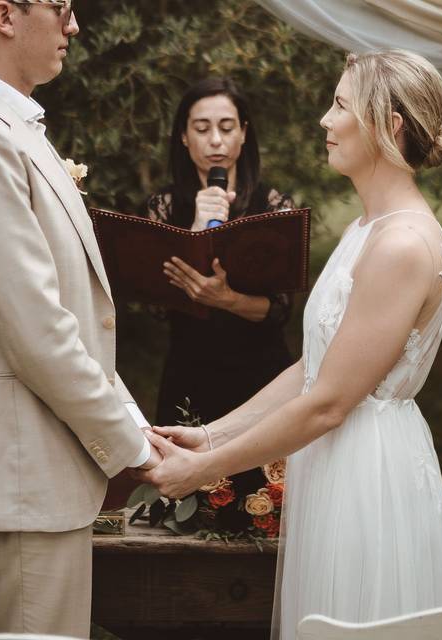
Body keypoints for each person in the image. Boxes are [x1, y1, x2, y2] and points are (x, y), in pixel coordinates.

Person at [138, 50, 442, 637]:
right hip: (335, 459)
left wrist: (202, 470)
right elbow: (314, 370)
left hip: (368, 474)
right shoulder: (367, 229)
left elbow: (328, 403)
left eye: (339, 104)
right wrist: (213, 432)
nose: (324, 119)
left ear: (387, 126)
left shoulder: (402, 246)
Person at [0, 0, 159, 636]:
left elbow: (72, 316)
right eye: (62, 7)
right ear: (4, 16)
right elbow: (37, 334)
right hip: (19, 470)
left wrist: (135, 421)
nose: (74, 26)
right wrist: (131, 450)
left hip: (40, 463)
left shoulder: (12, 127)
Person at [142, 78, 296, 528]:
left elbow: (282, 310)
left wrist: (226, 299)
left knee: (266, 514)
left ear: (244, 133)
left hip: (261, 376)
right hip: (190, 375)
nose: (215, 140)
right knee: (187, 518)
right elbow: (154, 307)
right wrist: (193, 228)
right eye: (202, 127)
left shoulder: (273, 206)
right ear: (183, 136)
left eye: (227, 127)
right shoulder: (163, 208)